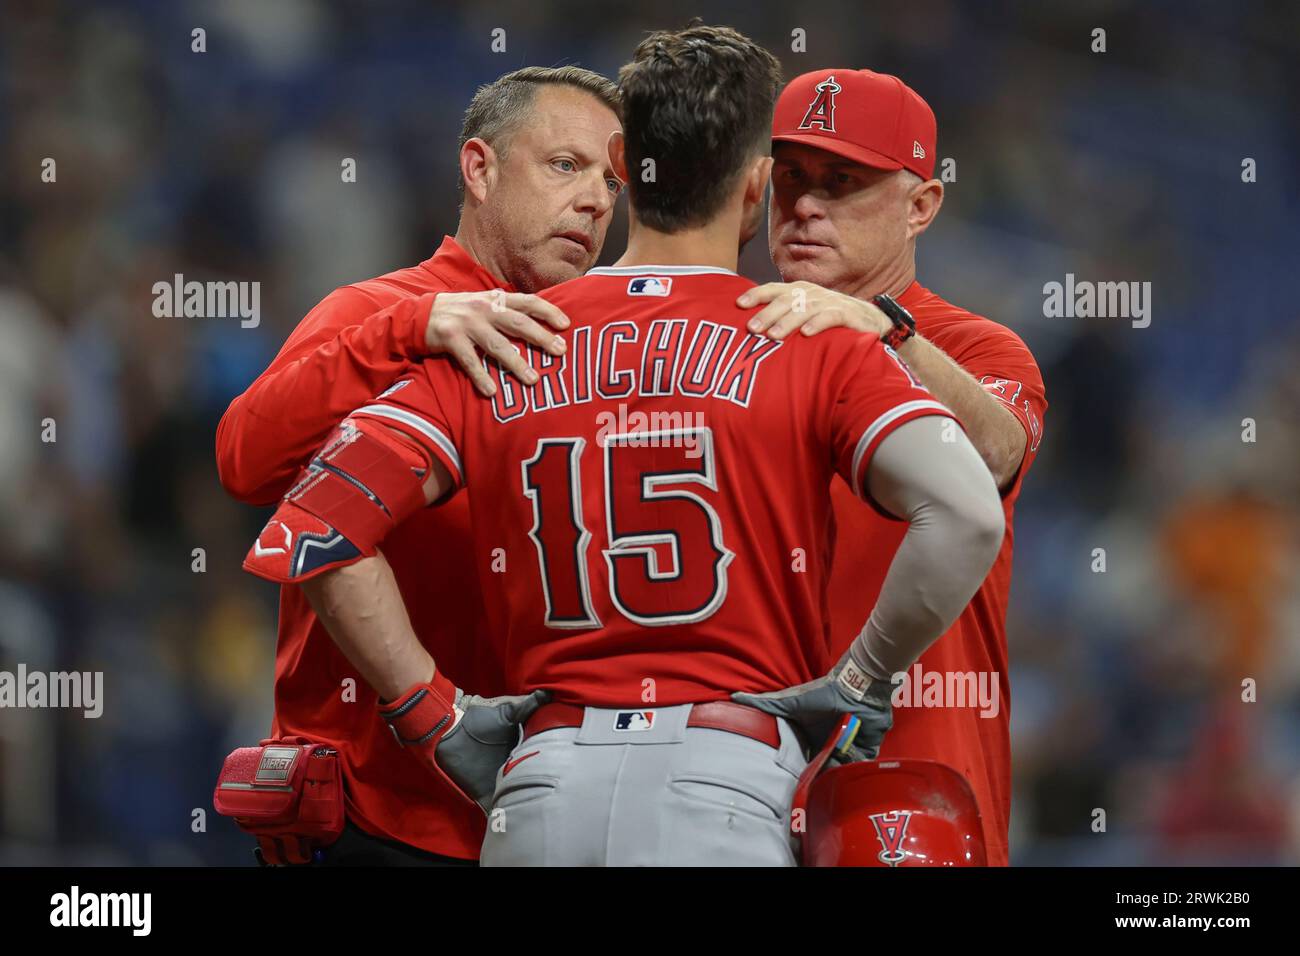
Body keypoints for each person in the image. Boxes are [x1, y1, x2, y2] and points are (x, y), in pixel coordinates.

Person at [242, 24, 1005, 867]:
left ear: (630, 176)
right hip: (727, 778)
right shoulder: (806, 334)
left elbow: (314, 529)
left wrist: (431, 713)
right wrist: (862, 683)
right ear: (756, 190)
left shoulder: (510, 341)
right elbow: (971, 511)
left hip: (536, 784)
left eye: (599, 175)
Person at [214, 65, 623, 865]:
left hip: (538, 819)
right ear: (480, 168)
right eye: (565, 166)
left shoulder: (602, 350)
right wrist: (412, 329)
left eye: (612, 180)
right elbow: (243, 461)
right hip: (375, 819)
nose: (596, 201)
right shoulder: (375, 314)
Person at [737, 68, 1049, 866]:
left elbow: (996, 452)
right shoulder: (724, 341)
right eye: (793, 180)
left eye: (843, 184)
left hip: (916, 782)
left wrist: (884, 330)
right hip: (739, 775)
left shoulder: (978, 348)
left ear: (921, 206)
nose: (806, 206)